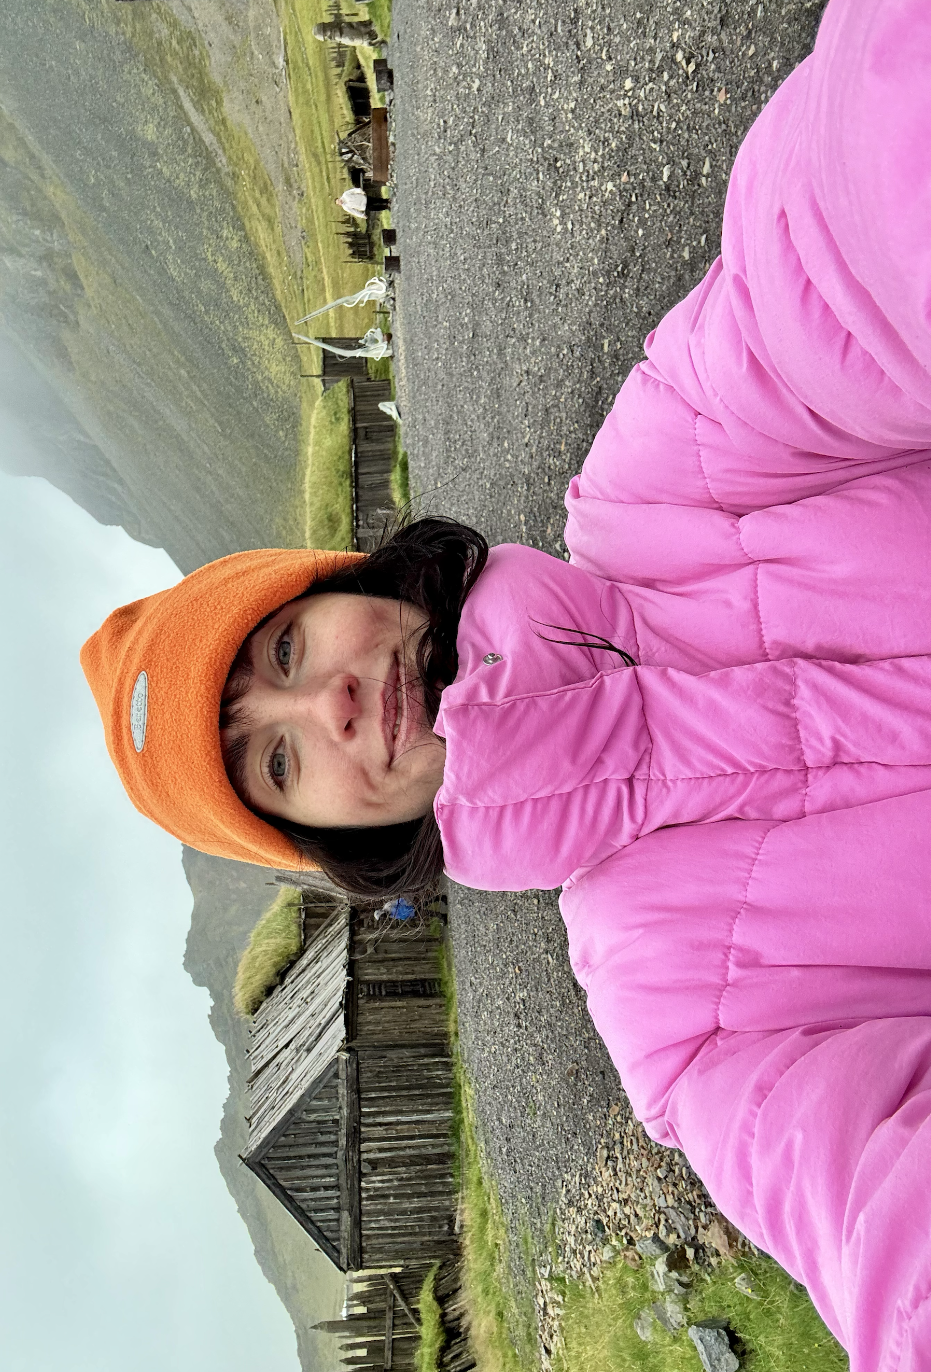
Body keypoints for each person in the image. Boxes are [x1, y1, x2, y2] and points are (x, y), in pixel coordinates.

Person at [81, 0, 931, 1365]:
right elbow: (880, 1226)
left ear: (347, 585)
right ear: (339, 840)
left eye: (284, 652)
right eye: (279, 762)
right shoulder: (688, 1022)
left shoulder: (677, 469)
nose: (329, 707)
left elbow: (838, 242)